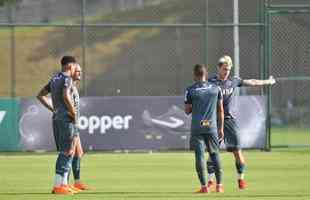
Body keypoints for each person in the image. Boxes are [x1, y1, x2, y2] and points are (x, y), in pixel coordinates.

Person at [207, 55, 276, 190]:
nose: (226, 71)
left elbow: (253, 82)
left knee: (237, 152)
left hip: (229, 121)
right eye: (224, 69)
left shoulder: (233, 81)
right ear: (219, 68)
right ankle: (210, 182)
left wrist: (268, 81)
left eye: (228, 69)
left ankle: (241, 179)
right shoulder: (211, 82)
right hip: (214, 121)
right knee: (212, 153)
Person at [37, 56, 77, 195]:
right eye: (74, 67)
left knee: (68, 150)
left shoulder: (54, 79)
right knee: (67, 150)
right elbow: (66, 95)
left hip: (57, 117)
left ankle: (64, 184)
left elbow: (40, 95)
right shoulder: (67, 79)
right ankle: (58, 185)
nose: (75, 70)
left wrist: (53, 109)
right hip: (66, 118)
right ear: (70, 66)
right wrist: (73, 112)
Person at [184, 64, 225, 193]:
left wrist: (195, 106)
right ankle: (219, 186)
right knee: (214, 154)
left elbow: (187, 110)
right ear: (205, 74)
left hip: (198, 127)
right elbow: (221, 110)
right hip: (211, 126)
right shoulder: (215, 88)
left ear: (195, 75)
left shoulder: (190, 90)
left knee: (200, 156)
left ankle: (204, 187)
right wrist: (221, 128)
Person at [67, 63, 89, 191]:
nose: (80, 73)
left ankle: (77, 182)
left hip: (74, 123)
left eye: (81, 71)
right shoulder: (68, 85)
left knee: (78, 152)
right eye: (77, 71)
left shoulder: (73, 86)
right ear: (71, 72)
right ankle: (65, 182)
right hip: (69, 123)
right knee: (69, 153)